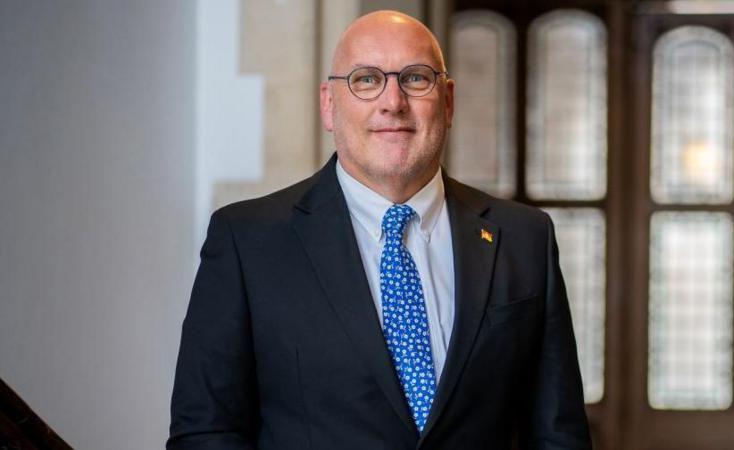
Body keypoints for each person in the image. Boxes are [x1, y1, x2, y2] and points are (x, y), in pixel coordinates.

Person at [168, 10, 591, 450]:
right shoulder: (247, 241)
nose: (393, 102)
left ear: (447, 102)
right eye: (366, 80)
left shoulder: (525, 238)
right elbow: (206, 432)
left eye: (415, 78)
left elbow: (558, 435)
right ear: (329, 105)